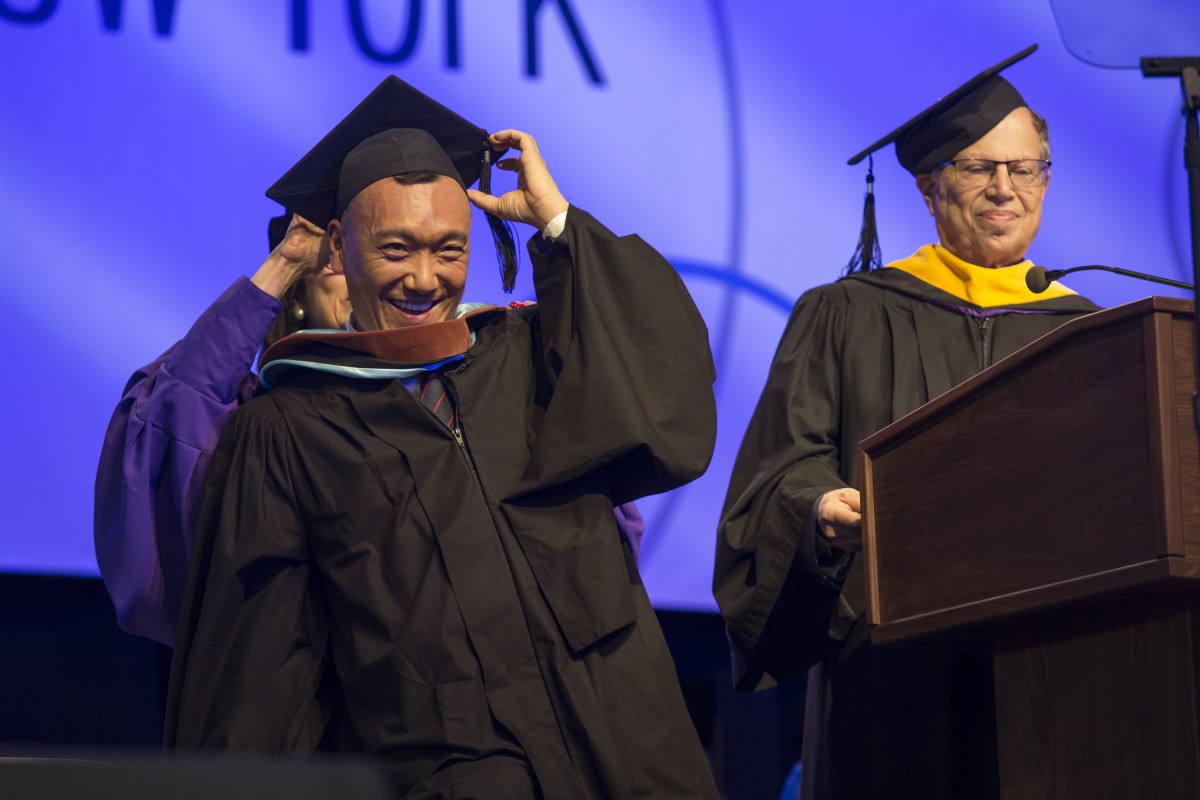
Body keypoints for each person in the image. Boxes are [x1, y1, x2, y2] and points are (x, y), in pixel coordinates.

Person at [164, 76, 719, 799]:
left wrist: (556, 224)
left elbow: (664, 390)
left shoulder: (525, 358)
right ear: (340, 246)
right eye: (397, 249)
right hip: (457, 773)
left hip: (632, 753)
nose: (425, 279)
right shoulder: (288, 429)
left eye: (449, 250)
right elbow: (260, 673)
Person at [713, 47, 1102, 799]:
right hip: (892, 671)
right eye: (978, 167)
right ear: (930, 188)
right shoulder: (847, 315)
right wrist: (820, 512)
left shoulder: (1086, 332)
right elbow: (782, 469)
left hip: (1056, 665)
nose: (1004, 189)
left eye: (1024, 169)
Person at [94, 213, 349, 646]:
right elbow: (180, 412)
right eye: (337, 260)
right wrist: (284, 264)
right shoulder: (262, 418)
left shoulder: (436, 396)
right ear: (298, 295)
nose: (359, 275)